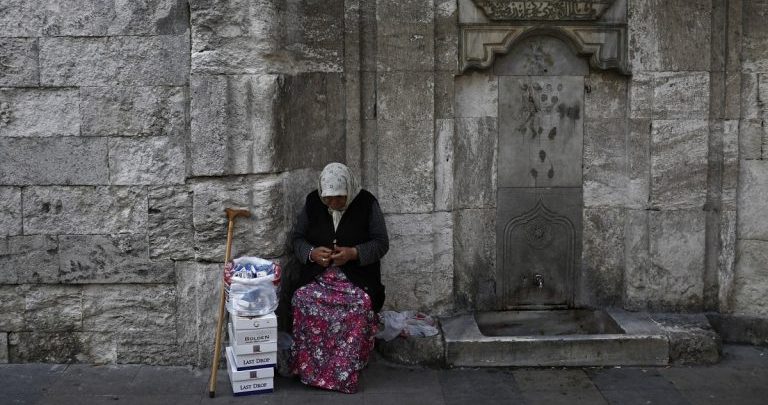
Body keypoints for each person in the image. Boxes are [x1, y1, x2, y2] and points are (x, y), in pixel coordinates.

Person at [289, 162, 389, 393]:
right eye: (328, 198)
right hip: (319, 276)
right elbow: (297, 239)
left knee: (360, 305)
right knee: (302, 299)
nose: (333, 203)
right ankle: (310, 370)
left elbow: (381, 243)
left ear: (349, 190)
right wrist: (312, 253)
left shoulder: (367, 203)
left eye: (339, 198)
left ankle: (344, 371)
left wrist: (354, 253)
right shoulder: (313, 201)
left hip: (356, 278)